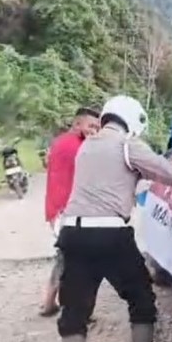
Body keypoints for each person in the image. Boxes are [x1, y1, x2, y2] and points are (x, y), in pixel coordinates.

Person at [46, 95, 172, 342]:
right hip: (110, 235)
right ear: (131, 120)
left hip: (73, 233)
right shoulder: (126, 145)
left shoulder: (87, 146)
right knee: (140, 297)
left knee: (75, 307)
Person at [39, 107, 101, 317]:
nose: (94, 130)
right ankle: (74, 309)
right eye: (91, 126)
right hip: (68, 211)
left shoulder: (61, 141)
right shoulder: (80, 147)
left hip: (58, 208)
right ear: (77, 124)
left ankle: (50, 301)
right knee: (74, 260)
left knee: (65, 256)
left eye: (97, 127)